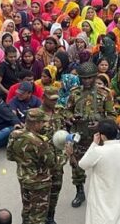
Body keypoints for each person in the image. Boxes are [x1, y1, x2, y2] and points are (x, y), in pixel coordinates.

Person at [61, 61, 116, 208]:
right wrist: (71, 117)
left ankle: (103, 194)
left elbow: (111, 115)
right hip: (79, 135)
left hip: (98, 137)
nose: (86, 81)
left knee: (102, 167)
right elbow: (67, 110)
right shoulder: (75, 93)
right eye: (83, 78)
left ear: (95, 77)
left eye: (90, 78)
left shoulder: (105, 94)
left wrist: (100, 123)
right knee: (76, 166)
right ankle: (79, 191)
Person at [77, 119, 120, 224]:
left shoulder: (98, 151)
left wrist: (94, 144)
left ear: (102, 136)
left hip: (100, 200)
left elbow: (82, 164)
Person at [7, 108, 56, 224]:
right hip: (39, 183)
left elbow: (10, 156)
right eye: (42, 122)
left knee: (27, 207)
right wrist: (65, 152)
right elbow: (52, 163)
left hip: (23, 177)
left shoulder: (15, 134)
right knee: (38, 215)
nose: (44, 125)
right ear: (36, 123)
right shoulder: (39, 142)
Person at [40, 87, 69, 224]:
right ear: (43, 98)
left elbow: (63, 131)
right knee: (40, 193)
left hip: (58, 161)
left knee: (55, 190)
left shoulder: (59, 112)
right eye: (51, 100)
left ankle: (50, 217)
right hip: (42, 162)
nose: (54, 102)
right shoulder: (36, 116)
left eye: (56, 99)